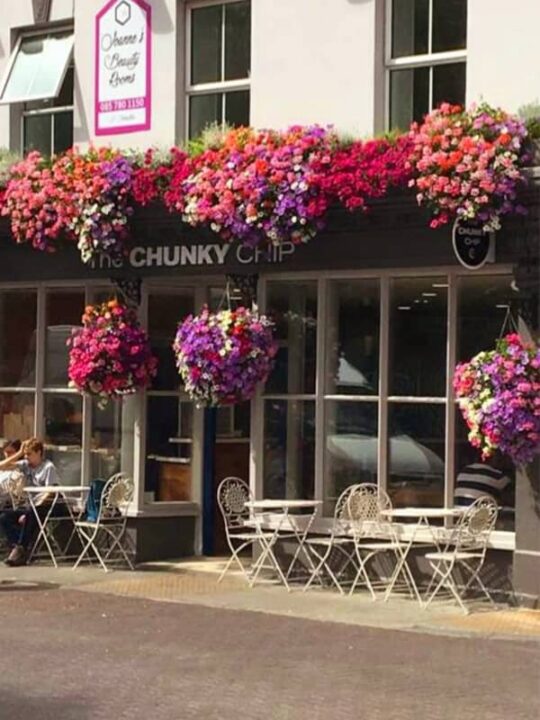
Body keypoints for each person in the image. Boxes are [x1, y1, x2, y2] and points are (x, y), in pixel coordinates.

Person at [0, 437, 61, 566]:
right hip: (31, 505)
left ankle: (21, 549)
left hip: (49, 504)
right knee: (5, 517)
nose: (26, 457)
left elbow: (51, 492)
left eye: (29, 454)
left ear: (39, 452)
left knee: (31, 513)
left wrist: (34, 506)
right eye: (25, 454)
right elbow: (1, 466)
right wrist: (19, 454)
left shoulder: (48, 467)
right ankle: (21, 548)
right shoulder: (26, 465)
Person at [0, 439, 22, 506]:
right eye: (5, 452)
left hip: (7, 505)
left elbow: (18, 497)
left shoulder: (21, 470)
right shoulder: (1, 470)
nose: (7, 455)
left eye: (10, 452)